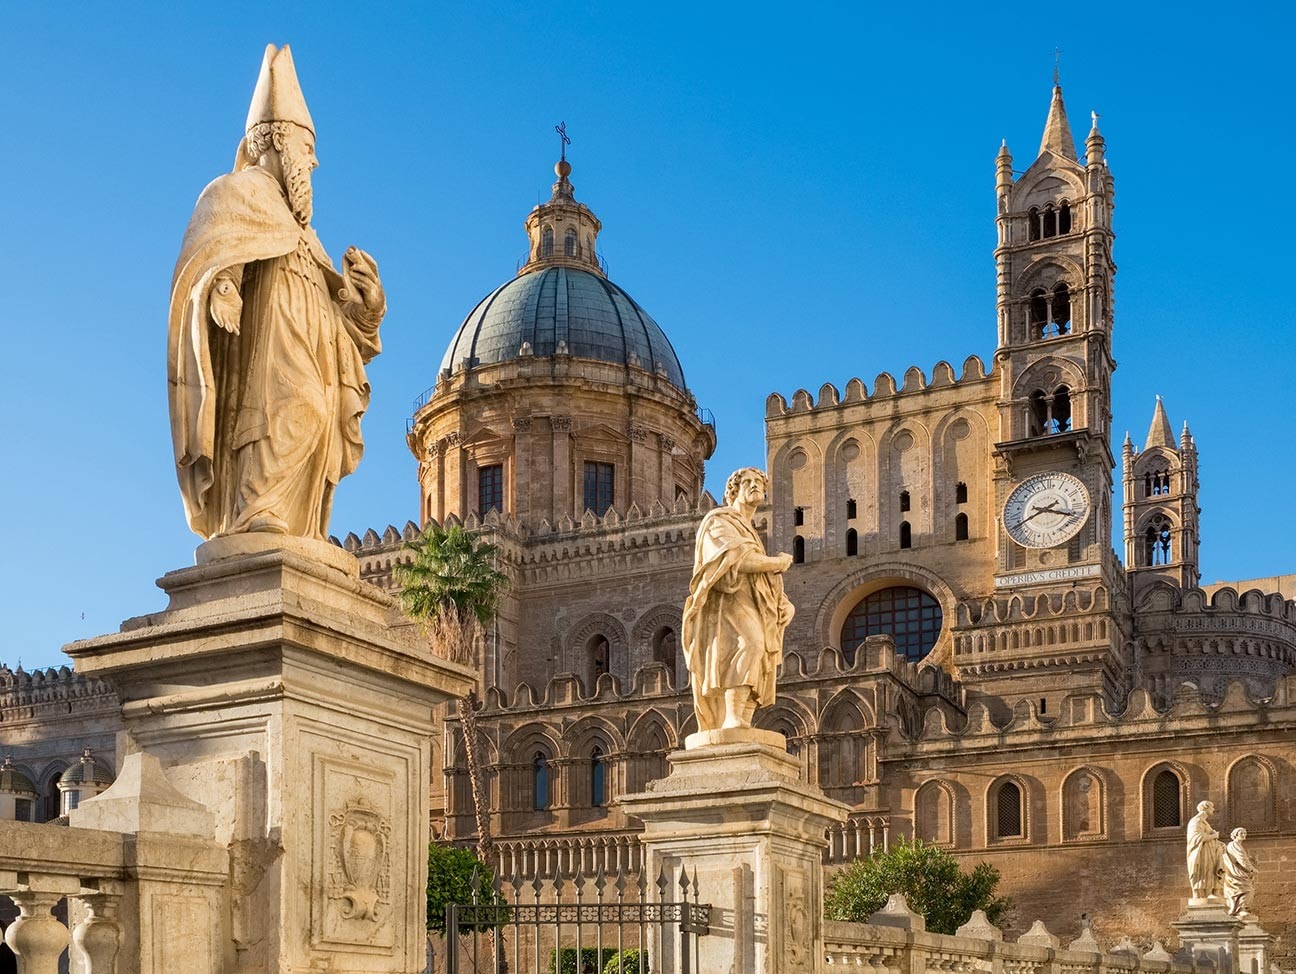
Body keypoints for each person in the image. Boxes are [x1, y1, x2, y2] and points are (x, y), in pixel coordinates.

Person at [168, 44, 385, 542]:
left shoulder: (304, 230)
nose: (314, 161)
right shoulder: (236, 193)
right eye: (308, 150)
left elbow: (343, 318)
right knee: (295, 409)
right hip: (269, 346)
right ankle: (256, 511)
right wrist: (221, 285)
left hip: (313, 345)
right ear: (281, 142)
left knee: (314, 414)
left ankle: (286, 525)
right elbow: (213, 249)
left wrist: (365, 307)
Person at [681, 468, 794, 731]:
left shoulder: (749, 531)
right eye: (748, 482)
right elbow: (732, 559)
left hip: (753, 603)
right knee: (748, 645)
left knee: (761, 655)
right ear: (733, 490)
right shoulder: (718, 520)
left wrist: (785, 604)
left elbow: (765, 580)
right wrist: (776, 562)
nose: (755, 486)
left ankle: (742, 718)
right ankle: (731, 716)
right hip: (727, 603)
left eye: (759, 483)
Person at [1185, 800, 1224, 902]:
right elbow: (1196, 837)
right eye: (1212, 807)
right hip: (1201, 853)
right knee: (1203, 872)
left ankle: (1209, 893)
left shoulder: (1204, 822)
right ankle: (1202, 894)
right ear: (1205, 808)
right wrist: (1214, 836)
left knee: (1209, 871)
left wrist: (1218, 843)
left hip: (1209, 852)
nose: (1213, 809)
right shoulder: (1196, 821)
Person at [1221, 827, 1257, 917]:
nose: (1244, 835)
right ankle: (1240, 909)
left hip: (1238, 873)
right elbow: (1242, 859)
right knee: (1247, 890)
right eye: (1241, 833)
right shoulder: (1234, 845)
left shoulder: (1237, 845)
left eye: (1245, 833)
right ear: (1235, 835)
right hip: (1235, 874)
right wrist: (1252, 869)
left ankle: (1240, 909)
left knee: (1244, 890)